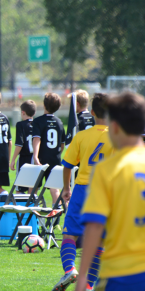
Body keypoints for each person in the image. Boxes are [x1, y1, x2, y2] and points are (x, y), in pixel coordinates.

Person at [76, 92, 145, 291]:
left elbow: (94, 226)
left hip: (122, 274)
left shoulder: (107, 170)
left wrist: (82, 279)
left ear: (113, 127)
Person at [52, 93, 113, 291]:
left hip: (83, 189)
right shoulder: (117, 137)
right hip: (106, 192)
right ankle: (87, 285)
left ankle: (70, 269)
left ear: (92, 112)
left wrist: (67, 189)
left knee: (69, 235)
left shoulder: (82, 136)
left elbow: (68, 165)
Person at [32, 92, 66, 204]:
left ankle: (32, 217)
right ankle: (55, 216)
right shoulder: (59, 122)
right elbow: (62, 144)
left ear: (44, 105)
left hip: (41, 159)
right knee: (55, 189)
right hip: (55, 159)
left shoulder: (38, 121)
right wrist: (56, 153)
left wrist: (35, 157)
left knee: (34, 188)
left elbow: (37, 139)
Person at [10, 100, 36, 194]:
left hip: (23, 159)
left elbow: (19, 144)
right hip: (35, 158)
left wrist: (13, 159)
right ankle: (32, 207)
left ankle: (22, 207)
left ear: (23, 112)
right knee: (32, 187)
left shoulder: (20, 125)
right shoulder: (37, 124)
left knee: (19, 189)